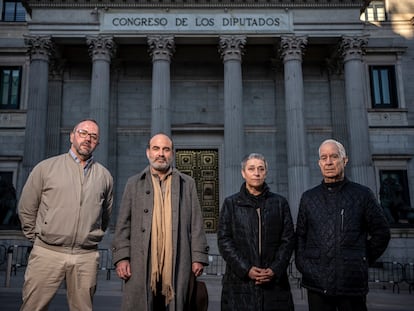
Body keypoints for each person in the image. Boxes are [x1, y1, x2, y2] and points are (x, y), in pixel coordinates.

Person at [18, 119, 114, 311]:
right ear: (72, 136)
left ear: (98, 143)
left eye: (93, 136)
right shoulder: (46, 168)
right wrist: (37, 238)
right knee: (33, 308)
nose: (88, 139)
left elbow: (105, 215)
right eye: (83, 133)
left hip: (85, 256)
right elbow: (27, 207)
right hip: (47, 252)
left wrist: (90, 237)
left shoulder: (104, 176)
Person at [112, 133, 209, 311]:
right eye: (156, 148)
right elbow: (123, 224)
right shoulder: (134, 184)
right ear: (148, 152)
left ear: (172, 153)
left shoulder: (187, 184)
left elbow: (196, 223)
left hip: (178, 261)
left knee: (177, 304)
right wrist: (122, 258)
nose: (161, 154)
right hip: (141, 262)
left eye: (166, 149)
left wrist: (198, 257)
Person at [295, 139, 391, 311]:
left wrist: (360, 259)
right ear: (319, 163)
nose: (329, 162)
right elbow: (300, 236)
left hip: (351, 284)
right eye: (324, 158)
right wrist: (304, 265)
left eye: (334, 156)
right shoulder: (308, 198)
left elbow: (382, 233)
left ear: (344, 160)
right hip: (317, 283)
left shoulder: (363, 195)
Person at [217, 153, 296, 311]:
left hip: (274, 284)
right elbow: (224, 240)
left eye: (261, 169)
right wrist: (246, 269)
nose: (256, 173)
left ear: (266, 172)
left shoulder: (280, 203)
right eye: (251, 168)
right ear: (243, 173)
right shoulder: (231, 204)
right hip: (240, 284)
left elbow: (287, 240)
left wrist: (274, 269)